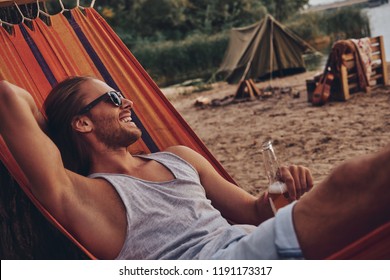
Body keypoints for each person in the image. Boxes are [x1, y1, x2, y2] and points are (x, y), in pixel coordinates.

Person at [0, 77, 389, 260]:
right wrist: (54, 124)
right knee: (356, 181)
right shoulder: (83, 195)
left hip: (251, 241)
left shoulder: (179, 157)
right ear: (82, 123)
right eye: (113, 96)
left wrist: (281, 193)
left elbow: (254, 211)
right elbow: (8, 96)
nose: (128, 101)